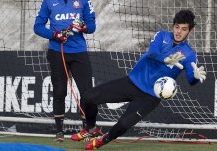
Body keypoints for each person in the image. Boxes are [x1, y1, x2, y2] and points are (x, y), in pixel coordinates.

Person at [74, 9, 207, 150]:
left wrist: (195, 77)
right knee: (88, 97)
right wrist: (166, 59)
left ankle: (102, 140)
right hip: (132, 83)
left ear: (190, 31)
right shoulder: (162, 36)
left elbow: (191, 80)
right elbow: (152, 53)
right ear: (173, 26)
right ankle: (91, 129)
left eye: (184, 29)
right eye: (177, 27)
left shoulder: (189, 54)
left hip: (150, 97)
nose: (179, 32)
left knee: (124, 125)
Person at [33, 0, 101, 142]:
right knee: (60, 91)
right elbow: (38, 27)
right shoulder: (48, 1)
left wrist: (83, 27)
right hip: (58, 52)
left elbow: (92, 26)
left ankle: (87, 129)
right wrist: (55, 35)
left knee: (87, 93)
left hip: (79, 53)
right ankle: (59, 131)